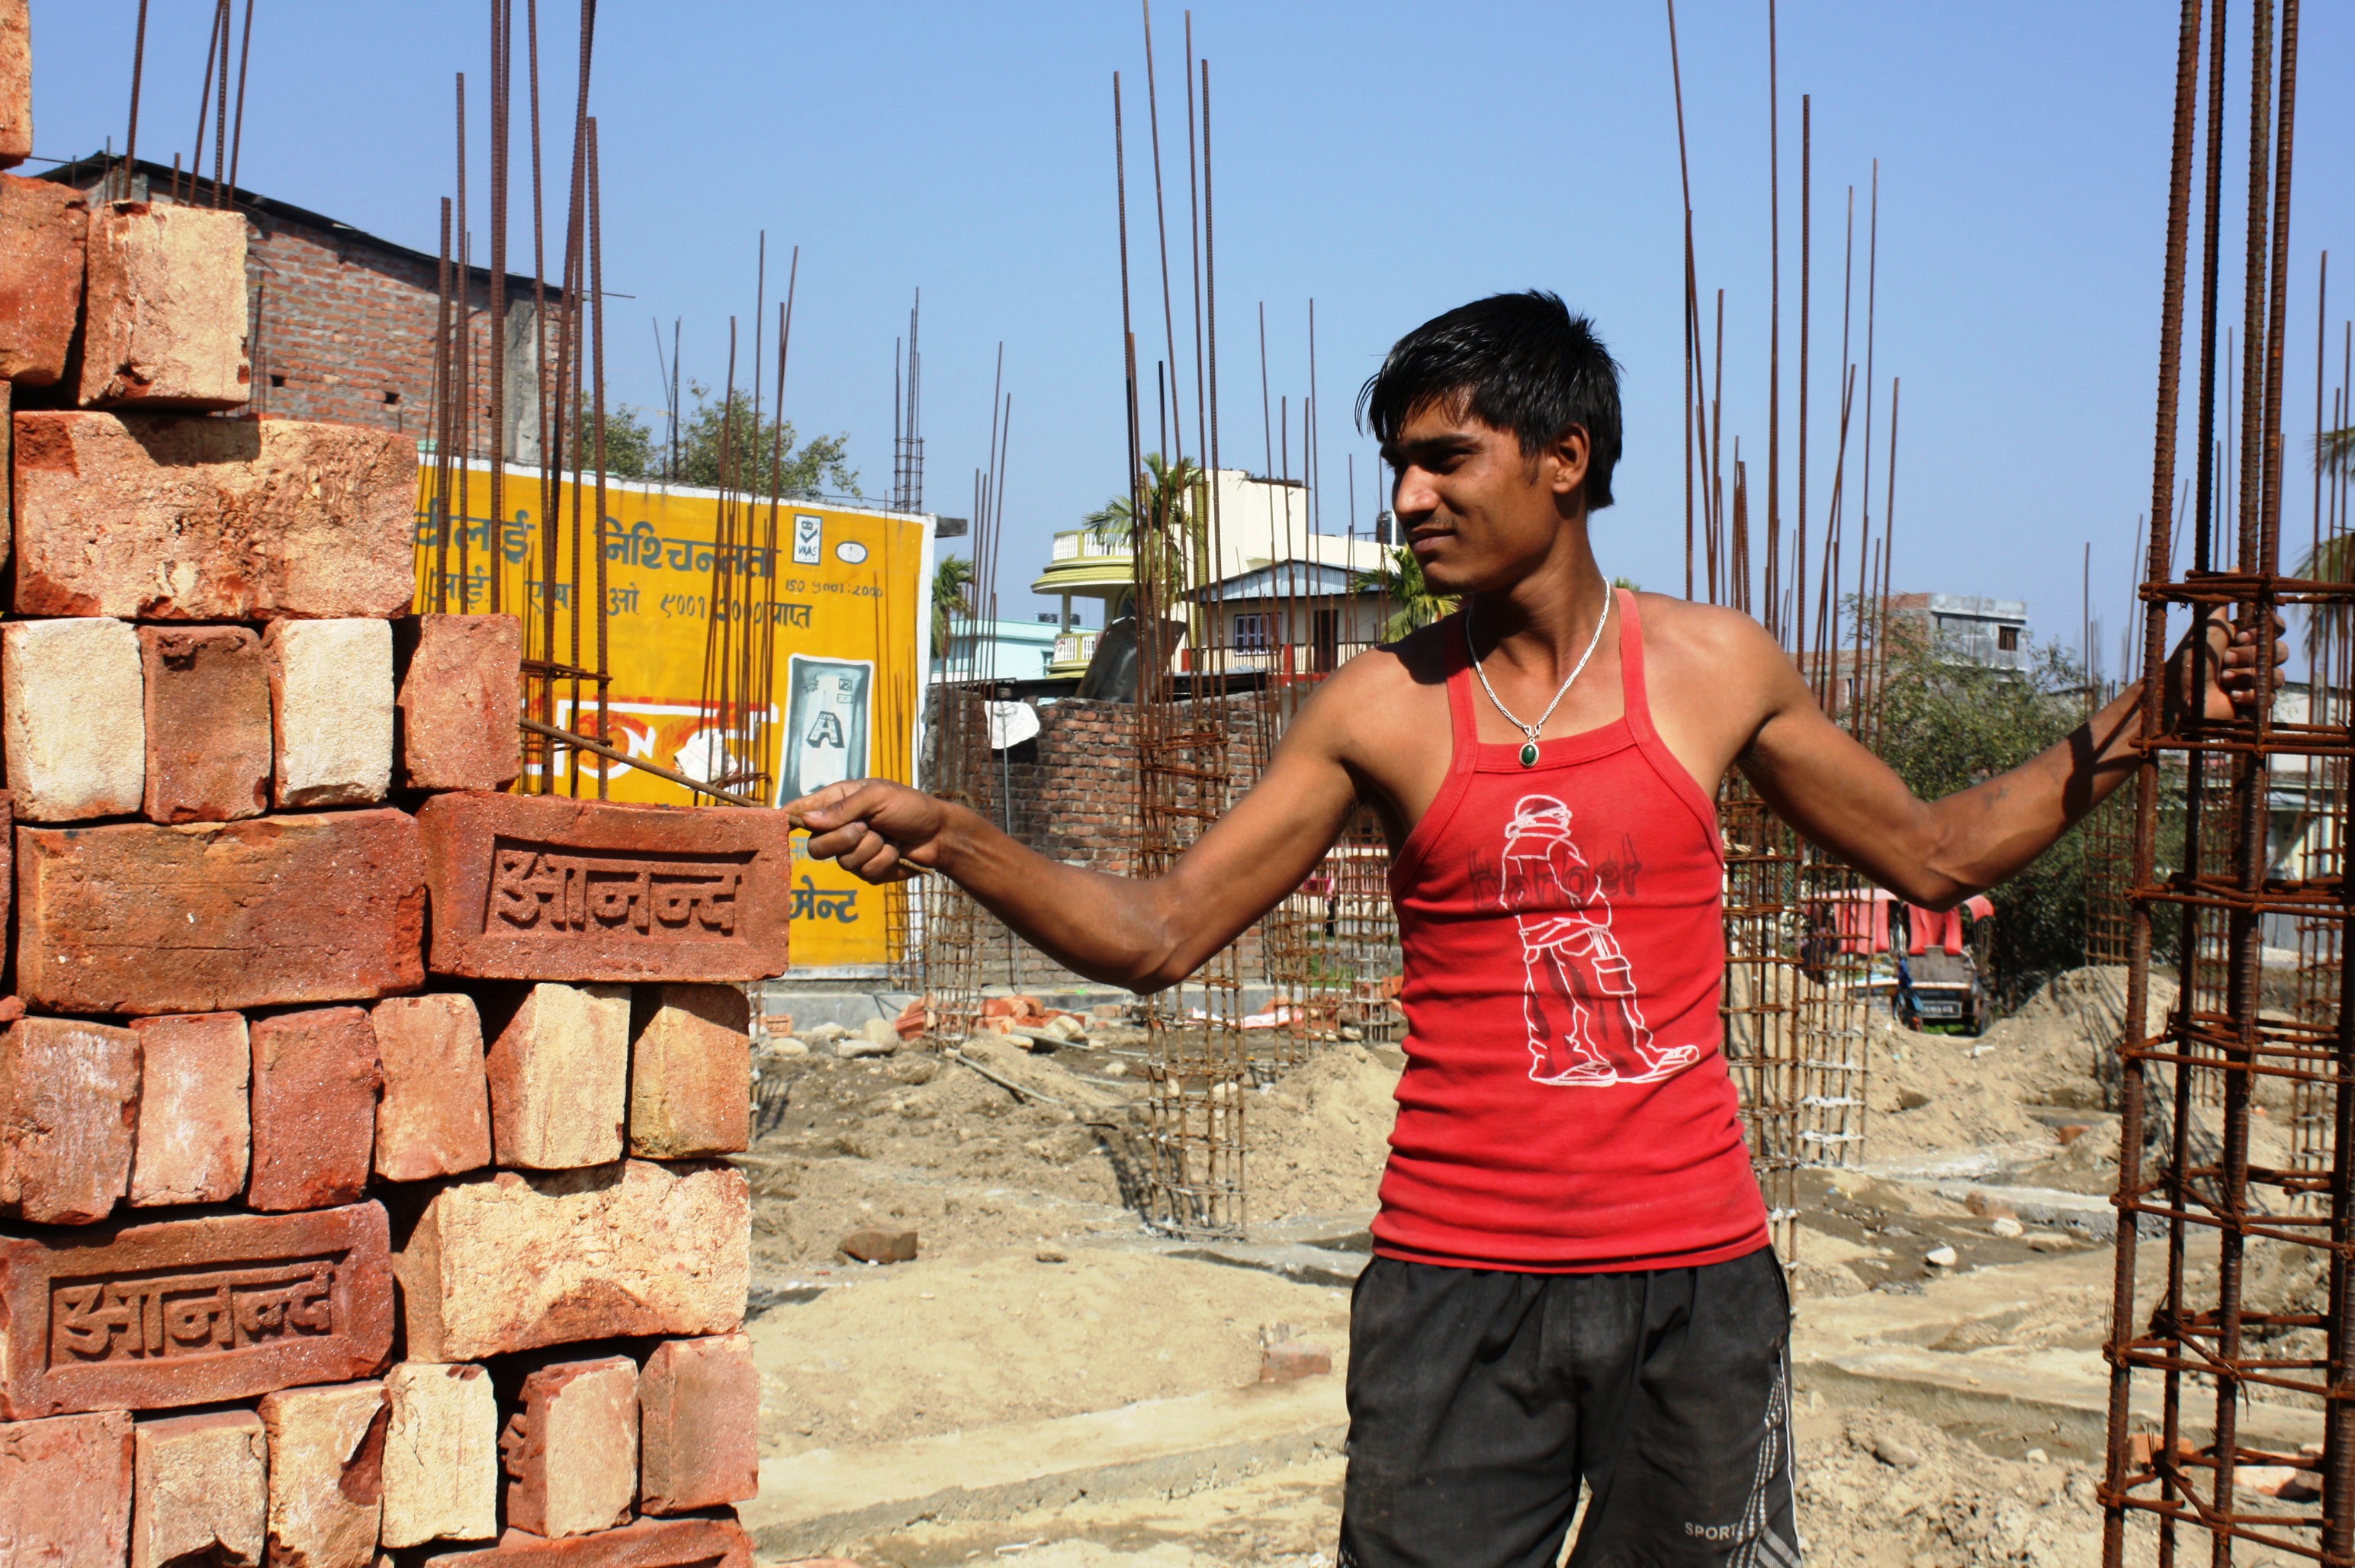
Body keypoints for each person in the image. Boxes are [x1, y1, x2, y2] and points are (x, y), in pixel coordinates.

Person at [787, 291, 2272, 1568]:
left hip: (1691, 1288)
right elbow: (1159, 929)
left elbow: (1935, 853)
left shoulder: (1708, 667)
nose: (1409, 496)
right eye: (1397, 465)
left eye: (1445, 456)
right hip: (1452, 1291)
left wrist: (2155, 711)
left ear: (1563, 459)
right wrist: (963, 836)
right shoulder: (1374, 707)